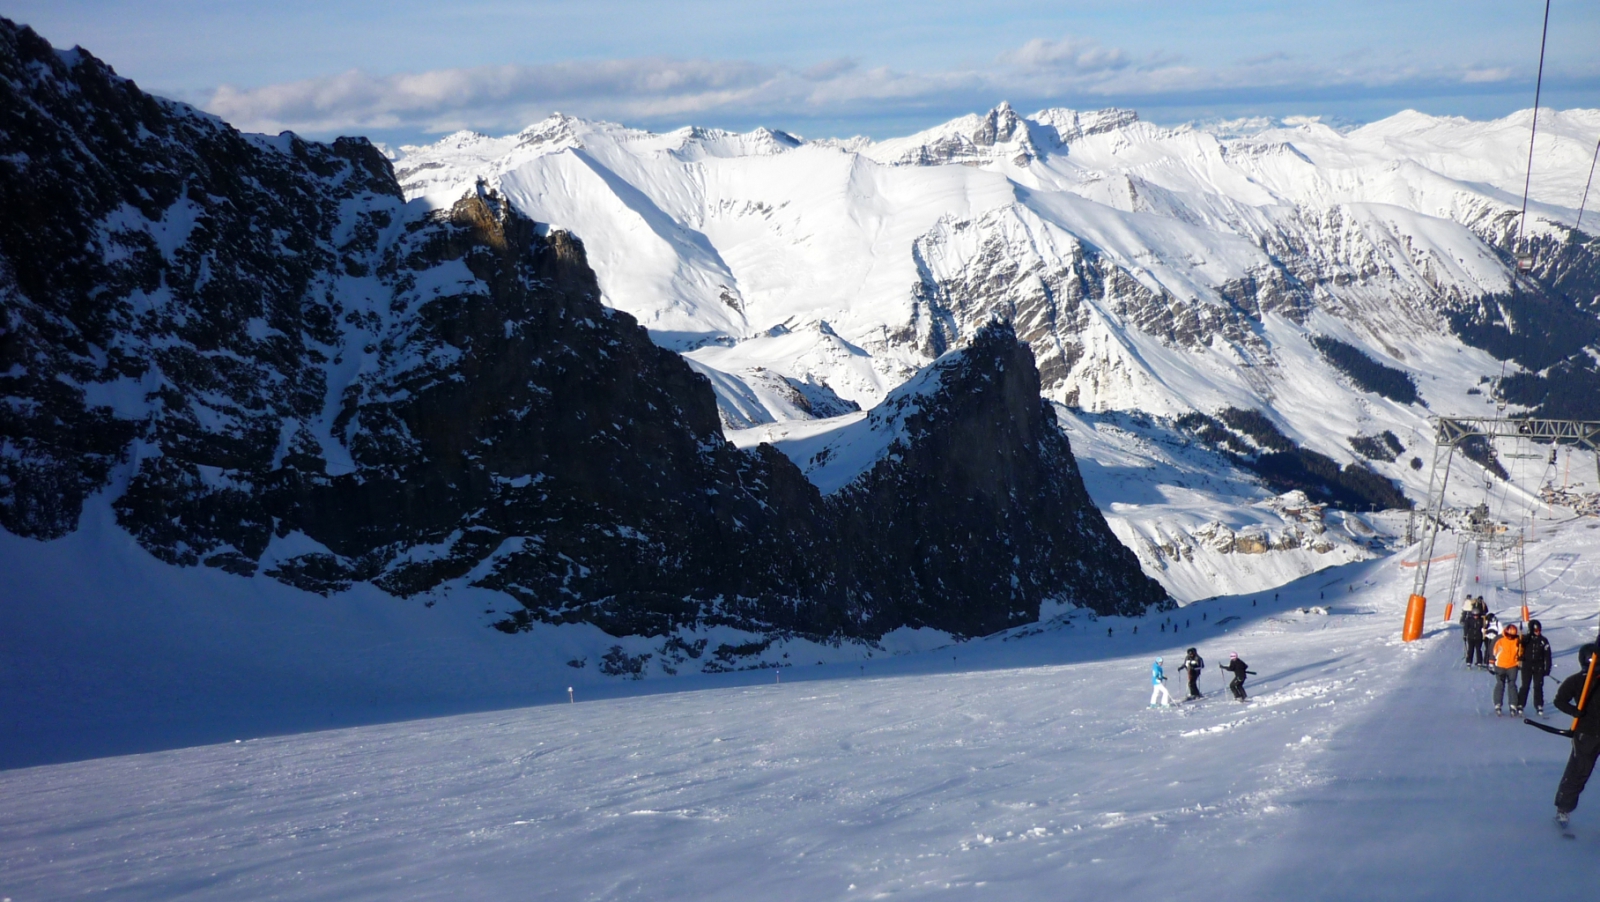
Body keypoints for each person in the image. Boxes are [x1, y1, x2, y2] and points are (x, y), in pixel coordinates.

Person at [1554, 644, 1600, 827]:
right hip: (1586, 734)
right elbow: (1560, 701)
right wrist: (1574, 711)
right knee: (1579, 772)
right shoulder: (1576, 681)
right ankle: (1563, 810)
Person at [1519, 619, 1553, 717]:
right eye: (1536, 630)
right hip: (1527, 666)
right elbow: (1518, 648)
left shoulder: (1543, 641)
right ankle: (1520, 704)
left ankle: (1539, 705)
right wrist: (1520, 655)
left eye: (1539, 630)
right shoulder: (1525, 639)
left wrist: (1547, 668)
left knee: (1538, 686)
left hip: (1539, 667)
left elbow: (1548, 655)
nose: (1538, 632)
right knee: (1525, 686)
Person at [1489, 623, 1521, 715]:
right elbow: (1492, 651)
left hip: (1513, 665)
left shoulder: (1518, 639)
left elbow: (1521, 651)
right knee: (1500, 684)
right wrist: (1491, 663)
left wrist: (1521, 660)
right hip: (1500, 665)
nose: (1510, 637)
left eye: (1512, 635)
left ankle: (1513, 704)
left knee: (1512, 685)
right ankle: (1498, 704)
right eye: (1509, 635)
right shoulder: (1499, 639)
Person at [1460, 597, 1484, 668]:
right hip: (1470, 637)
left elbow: (1484, 627)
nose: (1476, 617)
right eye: (1474, 615)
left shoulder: (1481, 620)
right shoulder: (1469, 620)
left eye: (1477, 615)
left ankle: (1479, 662)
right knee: (1470, 649)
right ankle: (1469, 662)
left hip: (1478, 637)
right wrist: (1465, 635)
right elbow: (1466, 628)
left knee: (1478, 649)